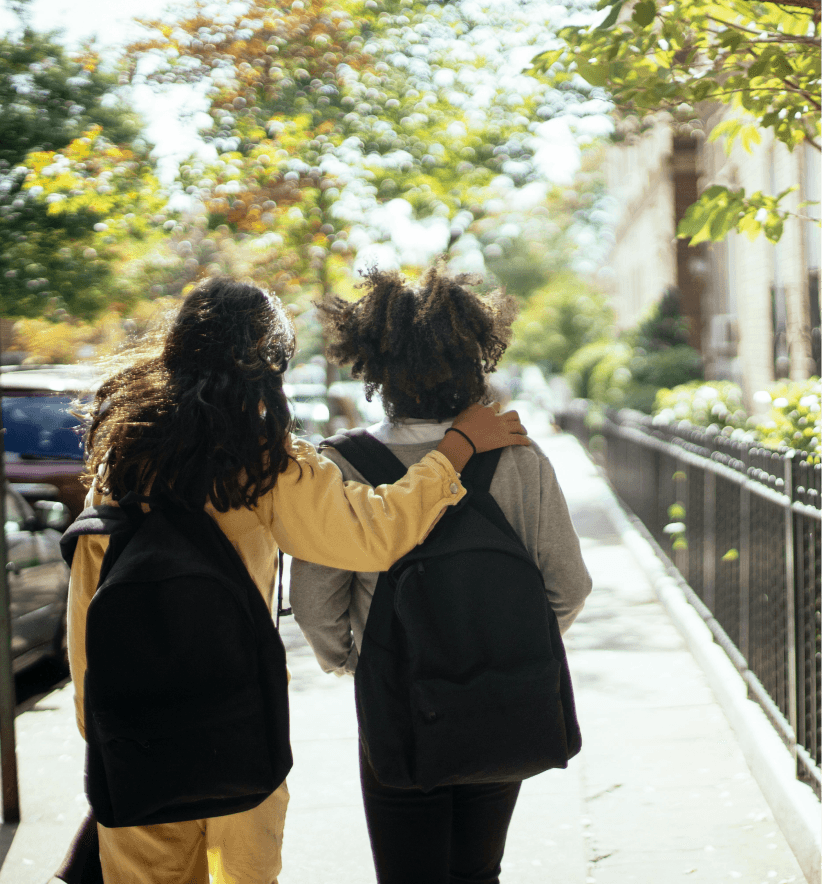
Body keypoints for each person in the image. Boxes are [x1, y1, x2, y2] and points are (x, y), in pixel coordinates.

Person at [67, 275, 529, 884]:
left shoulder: (122, 449)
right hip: (234, 721)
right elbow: (374, 532)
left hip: (131, 727)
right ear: (267, 360)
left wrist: (97, 726)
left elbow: (87, 601)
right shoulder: (257, 461)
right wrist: (457, 450)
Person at [289, 266, 592, 884]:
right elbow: (569, 585)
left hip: (397, 700)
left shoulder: (344, 464)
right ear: (475, 359)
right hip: (501, 692)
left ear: (375, 368)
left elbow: (317, 601)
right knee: (479, 872)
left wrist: (354, 660)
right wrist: (511, 642)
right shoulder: (519, 457)